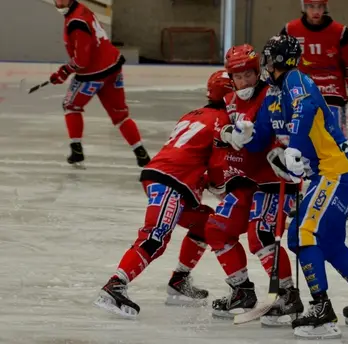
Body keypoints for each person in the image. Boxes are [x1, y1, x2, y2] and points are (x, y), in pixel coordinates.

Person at [230, 35, 348, 340]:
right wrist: (244, 136)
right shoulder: (274, 94)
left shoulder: (296, 80)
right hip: (329, 173)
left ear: (275, 60)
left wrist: (296, 149)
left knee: (304, 233)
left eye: (267, 59)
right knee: (325, 242)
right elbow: (263, 133)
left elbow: (304, 111)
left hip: (336, 169)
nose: (264, 65)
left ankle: (321, 308)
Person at [93, 71, 233, 318]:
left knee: (206, 223)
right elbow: (217, 167)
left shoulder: (194, 114)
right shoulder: (222, 121)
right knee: (155, 235)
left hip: (166, 176)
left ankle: (179, 281)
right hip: (172, 180)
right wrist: (225, 190)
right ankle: (115, 284)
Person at [205, 44, 303, 326]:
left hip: (276, 178)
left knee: (260, 235)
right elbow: (219, 129)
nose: (244, 81)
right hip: (254, 181)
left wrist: (280, 150)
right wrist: (225, 133)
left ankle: (287, 294)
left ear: (257, 71)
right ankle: (246, 291)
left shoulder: (271, 93)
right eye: (238, 76)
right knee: (234, 233)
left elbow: (285, 128)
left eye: (249, 74)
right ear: (230, 78)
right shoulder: (230, 101)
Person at [281, 0, 348, 227]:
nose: (315, 12)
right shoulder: (290, 30)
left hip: (332, 94)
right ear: (304, 7)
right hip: (301, 94)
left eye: (319, 6)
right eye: (310, 6)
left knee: (332, 145)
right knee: (299, 145)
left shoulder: (341, 33)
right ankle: (299, 196)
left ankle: (345, 195)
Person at [52, 0, 149, 167]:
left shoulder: (76, 23)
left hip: (93, 74)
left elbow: (82, 61)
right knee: (120, 115)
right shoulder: (81, 10)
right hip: (113, 66)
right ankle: (141, 152)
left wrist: (63, 72)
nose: (59, 2)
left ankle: (76, 150)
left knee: (70, 105)